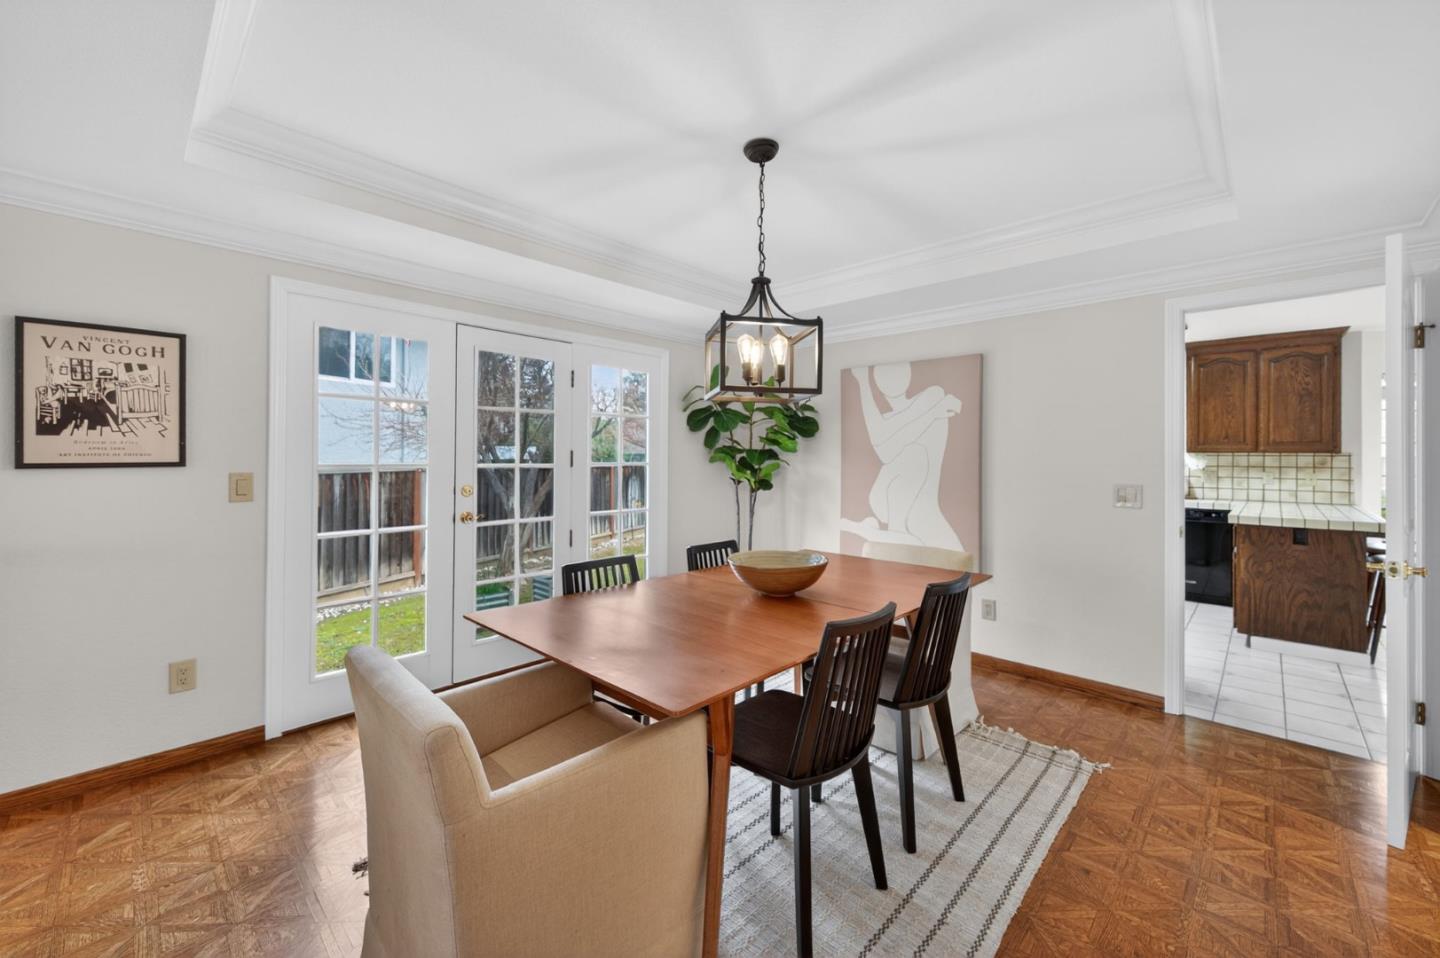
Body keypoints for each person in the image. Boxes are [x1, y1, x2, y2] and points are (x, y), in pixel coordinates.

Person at [841, 363, 965, 550]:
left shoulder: (933, 395)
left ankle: (871, 532)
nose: (893, 378)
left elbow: (881, 438)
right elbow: (884, 449)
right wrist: (864, 383)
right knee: (916, 455)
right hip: (890, 494)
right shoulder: (890, 421)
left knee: (954, 560)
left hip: (919, 506)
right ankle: (887, 530)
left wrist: (864, 383)